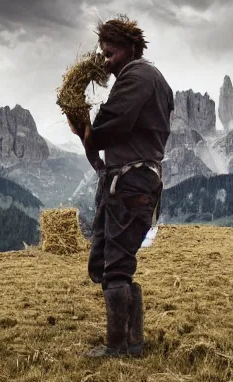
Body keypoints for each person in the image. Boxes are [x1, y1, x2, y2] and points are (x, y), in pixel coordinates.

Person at [69, 15, 174, 358]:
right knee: (108, 262)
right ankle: (133, 342)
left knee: (115, 264)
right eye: (102, 53)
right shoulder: (147, 77)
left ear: (130, 48)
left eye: (110, 53)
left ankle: (118, 346)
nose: (105, 60)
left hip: (130, 184)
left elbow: (110, 124)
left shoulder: (138, 76)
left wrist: (84, 126)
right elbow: (117, 135)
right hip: (129, 181)